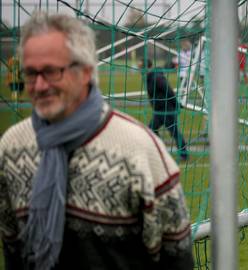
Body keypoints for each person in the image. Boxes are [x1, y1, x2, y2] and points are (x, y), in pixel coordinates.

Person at [0, 13, 193, 270]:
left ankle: (184, 150)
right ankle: (184, 148)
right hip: (162, 110)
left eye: (51, 71)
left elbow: (177, 260)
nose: (39, 84)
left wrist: (173, 104)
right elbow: (13, 251)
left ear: (86, 73)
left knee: (168, 131)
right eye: (31, 73)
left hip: (166, 110)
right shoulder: (10, 147)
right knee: (168, 130)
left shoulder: (140, 151)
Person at [138, 59, 188, 161]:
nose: (139, 70)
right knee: (151, 130)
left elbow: (169, 91)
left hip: (167, 110)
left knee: (174, 133)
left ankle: (184, 154)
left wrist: (176, 105)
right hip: (158, 111)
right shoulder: (150, 77)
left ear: (146, 67)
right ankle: (161, 151)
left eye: (140, 68)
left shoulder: (157, 78)